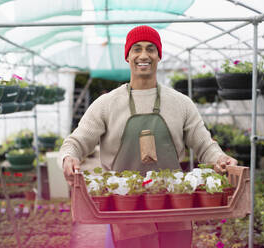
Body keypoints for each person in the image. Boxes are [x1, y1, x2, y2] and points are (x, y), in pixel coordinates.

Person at [60, 25, 237, 248]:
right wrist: (69, 157)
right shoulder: (107, 104)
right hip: (125, 210)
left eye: (151, 49)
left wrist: (219, 158)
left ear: (159, 55)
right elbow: (76, 142)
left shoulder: (180, 103)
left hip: (174, 206)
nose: (144, 55)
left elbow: (203, 143)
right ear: (127, 56)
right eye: (137, 49)